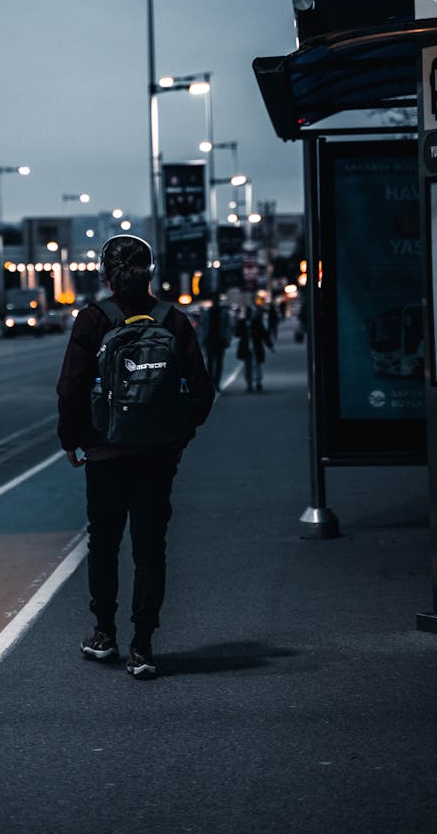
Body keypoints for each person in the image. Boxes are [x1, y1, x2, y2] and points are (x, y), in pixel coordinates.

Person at [56, 234, 215, 680]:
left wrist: (72, 440)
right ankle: (142, 646)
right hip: (156, 456)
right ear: (150, 273)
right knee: (150, 550)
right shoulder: (174, 321)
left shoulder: (92, 320)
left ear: (107, 275)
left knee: (103, 544)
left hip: (105, 454)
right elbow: (202, 394)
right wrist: (177, 438)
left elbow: (70, 389)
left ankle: (104, 635)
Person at [235, 300, 274, 392]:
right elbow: (237, 334)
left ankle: (258, 382)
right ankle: (249, 384)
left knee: (257, 366)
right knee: (248, 367)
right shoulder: (242, 322)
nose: (248, 313)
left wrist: (270, 345)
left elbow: (264, 334)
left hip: (256, 347)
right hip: (246, 348)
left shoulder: (257, 322)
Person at [200, 293, 232, 391]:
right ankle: (211, 383)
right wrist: (203, 339)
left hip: (220, 340)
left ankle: (216, 383)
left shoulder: (223, 312)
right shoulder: (208, 312)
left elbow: (227, 327)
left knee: (218, 362)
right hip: (210, 339)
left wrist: (227, 339)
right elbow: (204, 327)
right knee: (210, 362)